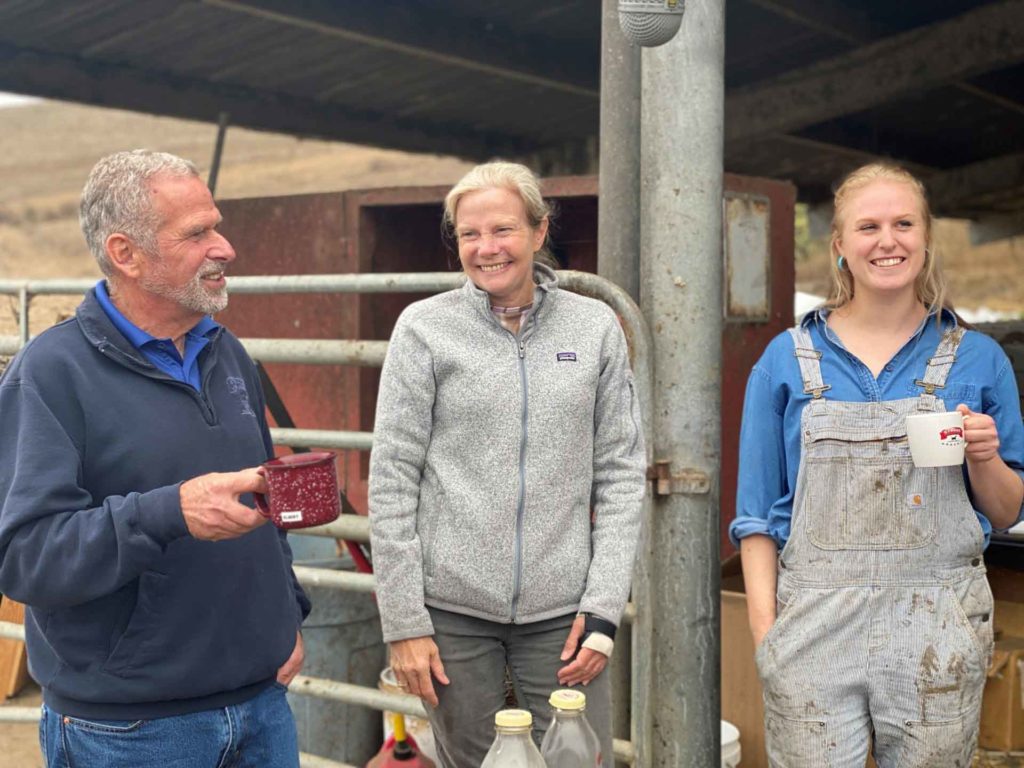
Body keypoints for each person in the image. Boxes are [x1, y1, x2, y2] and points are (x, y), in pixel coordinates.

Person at [0, 150, 310, 768]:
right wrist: (168, 512)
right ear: (126, 254)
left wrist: (289, 615)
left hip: (262, 705)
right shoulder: (53, 373)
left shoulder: (229, 355)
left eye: (217, 227)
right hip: (133, 731)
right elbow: (25, 558)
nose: (225, 248)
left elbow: (264, 498)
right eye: (197, 233)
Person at [731, 162, 1024, 767]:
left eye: (903, 223)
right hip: (812, 627)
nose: (887, 241)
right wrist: (769, 637)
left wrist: (986, 456)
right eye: (868, 226)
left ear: (926, 237)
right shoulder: (786, 361)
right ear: (840, 246)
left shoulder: (979, 359)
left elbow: (1006, 509)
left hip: (937, 625)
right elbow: (756, 517)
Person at [368, 161, 645, 767]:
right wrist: (404, 622)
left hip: (564, 617)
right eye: (470, 235)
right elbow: (391, 482)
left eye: (503, 230)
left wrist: (602, 610)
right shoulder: (424, 330)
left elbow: (622, 474)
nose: (486, 249)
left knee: (578, 760)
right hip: (451, 615)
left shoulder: (593, 327)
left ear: (539, 231)